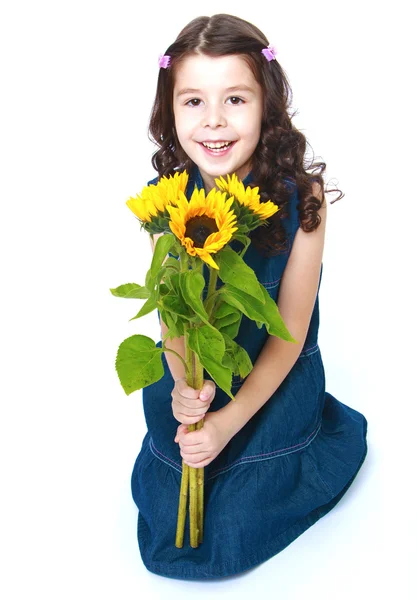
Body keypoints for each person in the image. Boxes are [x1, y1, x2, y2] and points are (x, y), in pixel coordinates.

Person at [130, 13, 368, 580]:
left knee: (237, 523)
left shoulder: (302, 202)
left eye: (235, 99)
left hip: (268, 382)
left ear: (267, 105)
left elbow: (288, 335)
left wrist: (228, 423)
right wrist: (184, 386)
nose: (214, 122)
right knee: (172, 516)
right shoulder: (169, 202)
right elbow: (174, 312)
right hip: (196, 375)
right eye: (193, 102)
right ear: (170, 111)